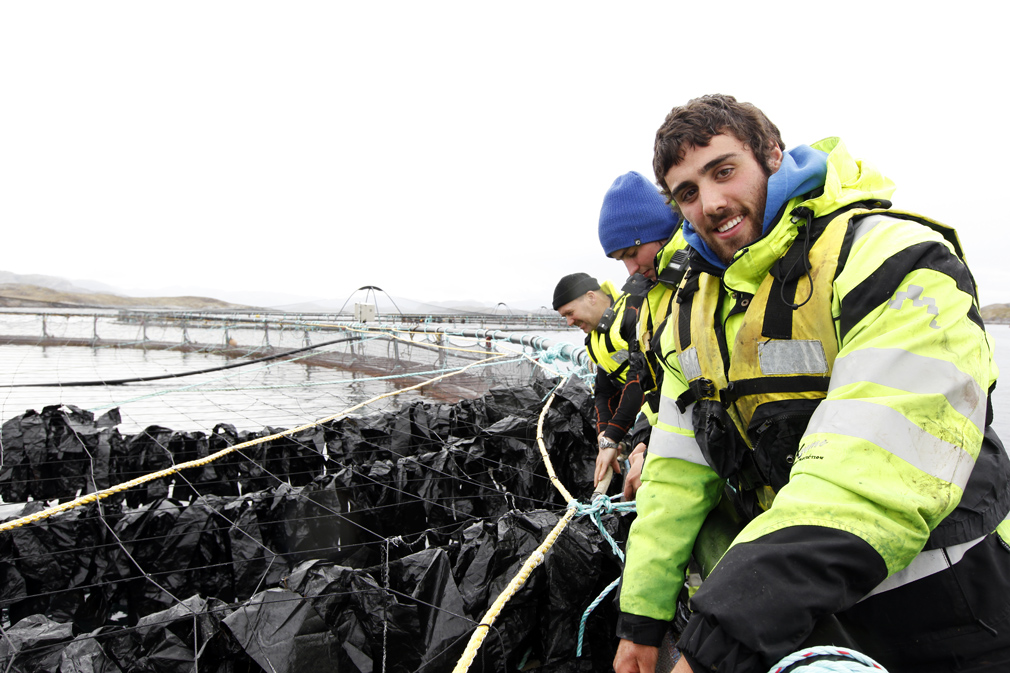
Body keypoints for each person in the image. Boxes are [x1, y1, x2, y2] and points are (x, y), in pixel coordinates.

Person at [614, 94, 1010, 673]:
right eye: (688, 193)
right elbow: (677, 469)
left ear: (773, 156)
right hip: (810, 608)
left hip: (960, 592)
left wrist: (723, 638)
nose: (712, 203)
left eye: (724, 170)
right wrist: (642, 622)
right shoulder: (691, 308)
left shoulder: (894, 260)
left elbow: (871, 475)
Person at [598, 171, 688, 499]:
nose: (631, 269)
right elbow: (652, 384)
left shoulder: (702, 277)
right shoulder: (647, 295)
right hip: (668, 445)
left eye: (632, 252)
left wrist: (647, 447)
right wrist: (639, 443)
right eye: (622, 260)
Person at [554, 272, 645, 488]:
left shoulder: (634, 313)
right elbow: (604, 391)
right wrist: (604, 434)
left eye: (570, 313)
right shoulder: (595, 338)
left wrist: (613, 436)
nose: (569, 322)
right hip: (643, 414)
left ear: (591, 297)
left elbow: (638, 378)